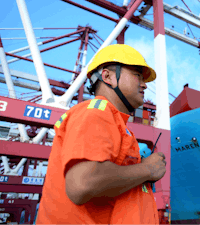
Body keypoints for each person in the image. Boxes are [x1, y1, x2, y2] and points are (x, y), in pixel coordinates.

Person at [35, 44, 166, 224]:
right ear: (107, 77)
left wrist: (140, 168)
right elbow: (83, 183)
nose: (144, 84)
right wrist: (148, 169)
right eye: (137, 75)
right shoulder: (96, 112)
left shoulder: (116, 123)